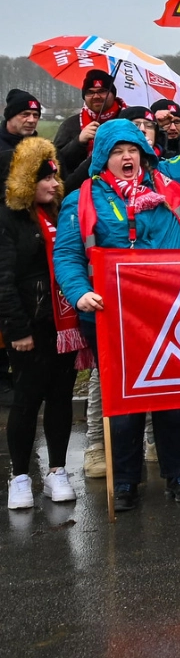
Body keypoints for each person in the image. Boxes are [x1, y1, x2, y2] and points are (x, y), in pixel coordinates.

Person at [53, 84, 180, 511]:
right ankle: (127, 481)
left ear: (145, 156)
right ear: (103, 159)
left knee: (174, 400)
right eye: (118, 152)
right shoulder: (84, 199)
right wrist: (80, 295)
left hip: (169, 313)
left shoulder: (169, 186)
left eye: (134, 150)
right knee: (124, 406)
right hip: (110, 317)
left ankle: (179, 476)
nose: (128, 157)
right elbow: (68, 254)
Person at [1, 139, 80, 509]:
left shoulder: (60, 213)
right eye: (44, 179)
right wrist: (16, 330)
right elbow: (3, 279)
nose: (53, 185)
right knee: (26, 401)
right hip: (29, 328)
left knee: (60, 399)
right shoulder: (9, 219)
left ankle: (57, 472)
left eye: (55, 179)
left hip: (63, 327)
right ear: (24, 182)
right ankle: (19, 476)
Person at [54, 68, 125, 182]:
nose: (96, 96)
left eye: (102, 91)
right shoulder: (70, 125)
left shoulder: (127, 120)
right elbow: (56, 161)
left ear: (113, 94)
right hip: (79, 190)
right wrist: (79, 142)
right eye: (90, 92)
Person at [0, 89, 41, 187]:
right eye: (25, 114)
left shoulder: (42, 149)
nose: (32, 120)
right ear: (10, 117)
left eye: (35, 115)